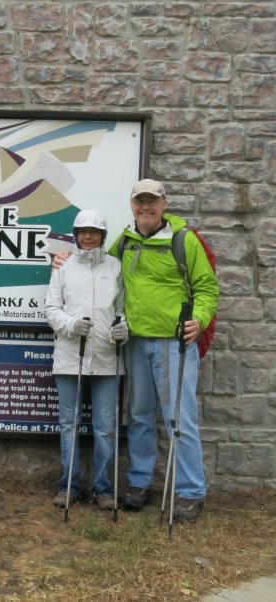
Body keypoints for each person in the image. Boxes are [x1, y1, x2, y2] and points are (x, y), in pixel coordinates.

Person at [110, 179, 218, 522]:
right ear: (132, 205)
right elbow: (100, 270)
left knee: (179, 420)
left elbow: (207, 288)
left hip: (175, 344)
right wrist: (66, 262)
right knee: (139, 416)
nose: (146, 207)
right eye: (140, 201)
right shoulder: (125, 241)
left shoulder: (183, 239)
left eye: (152, 201)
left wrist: (198, 320)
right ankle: (140, 482)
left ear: (163, 203)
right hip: (137, 342)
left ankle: (190, 492)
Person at [45, 209, 127, 510]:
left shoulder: (116, 267)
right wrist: (71, 325)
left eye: (94, 231)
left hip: (106, 356)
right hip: (70, 355)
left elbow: (123, 308)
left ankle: (103, 489)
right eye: (82, 231)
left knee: (105, 428)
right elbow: (51, 309)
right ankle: (68, 485)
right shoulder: (63, 267)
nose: (88, 236)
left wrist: (123, 329)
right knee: (69, 424)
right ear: (75, 235)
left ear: (103, 236)